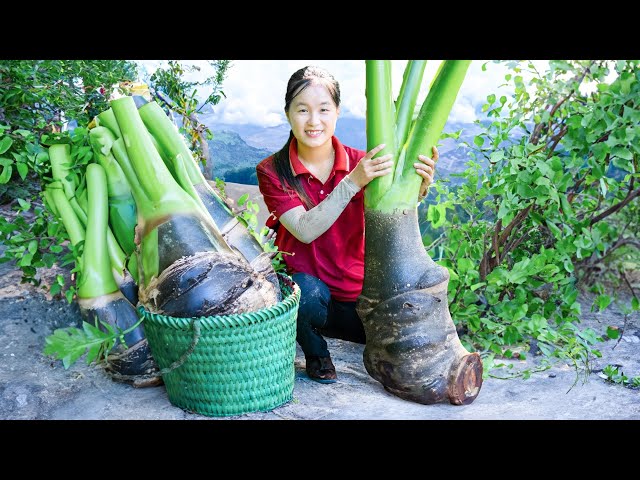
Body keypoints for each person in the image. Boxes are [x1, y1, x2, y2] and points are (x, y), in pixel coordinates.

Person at [256, 66, 438, 383]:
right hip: (311, 301)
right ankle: (317, 354)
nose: (314, 121)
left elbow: (394, 223)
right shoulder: (273, 170)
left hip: (360, 300)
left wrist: (417, 188)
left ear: (337, 112)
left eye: (324, 110)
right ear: (288, 114)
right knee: (300, 293)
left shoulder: (363, 163)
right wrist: (353, 182)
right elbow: (304, 228)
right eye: (302, 110)